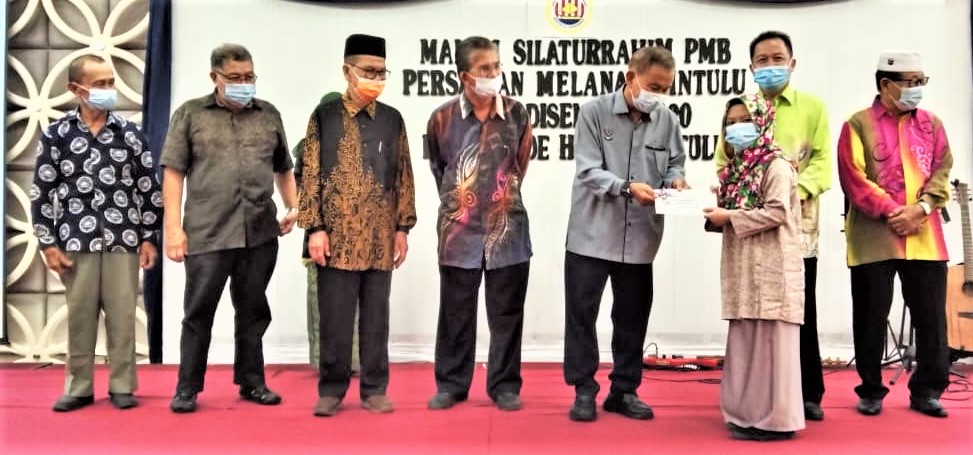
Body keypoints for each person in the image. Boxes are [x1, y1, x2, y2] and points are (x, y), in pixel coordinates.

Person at [161, 43, 299, 413]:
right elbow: (173, 173)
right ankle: (187, 388)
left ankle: (252, 382)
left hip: (260, 231)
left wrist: (293, 206)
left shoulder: (268, 114)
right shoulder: (190, 114)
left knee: (254, 311)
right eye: (235, 78)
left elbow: (283, 168)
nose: (243, 84)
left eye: (249, 77)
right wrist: (173, 229)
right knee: (198, 313)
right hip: (208, 233)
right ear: (215, 77)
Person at [563, 46, 687, 422]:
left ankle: (624, 390)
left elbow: (675, 163)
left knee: (632, 318)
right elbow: (588, 170)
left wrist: (676, 181)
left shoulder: (667, 120)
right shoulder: (593, 112)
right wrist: (626, 187)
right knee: (581, 316)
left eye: (665, 89)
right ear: (630, 77)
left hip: (640, 239)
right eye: (653, 86)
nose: (658, 95)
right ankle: (584, 390)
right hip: (591, 234)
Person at [31, 54, 161, 412]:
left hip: (124, 239)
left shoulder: (130, 133)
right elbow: (41, 192)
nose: (108, 89)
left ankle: (122, 385)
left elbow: (149, 189)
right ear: (76, 89)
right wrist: (47, 243)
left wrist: (149, 237)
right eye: (99, 84)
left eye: (110, 82)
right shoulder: (57, 134)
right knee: (80, 316)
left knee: (123, 316)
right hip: (75, 240)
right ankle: (79, 387)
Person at [298, 34, 417, 417]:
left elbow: (403, 175)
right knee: (335, 318)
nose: (375, 78)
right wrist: (314, 228)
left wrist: (402, 229)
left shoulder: (392, 120)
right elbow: (310, 174)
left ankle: (374, 389)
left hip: (381, 237)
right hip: (335, 237)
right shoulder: (325, 117)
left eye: (381, 72)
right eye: (368, 71)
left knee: (376, 319)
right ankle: (332, 389)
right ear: (347, 71)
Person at [714, 30, 831, 421]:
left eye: (777, 58)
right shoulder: (741, 108)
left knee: (795, 312)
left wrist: (793, 191)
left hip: (794, 231)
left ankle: (804, 394)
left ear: (792, 63)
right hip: (748, 233)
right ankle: (755, 399)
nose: (770, 66)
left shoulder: (811, 108)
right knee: (750, 315)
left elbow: (822, 164)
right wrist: (729, 200)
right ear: (751, 67)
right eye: (762, 60)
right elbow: (724, 162)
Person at [837, 50, 952, 418]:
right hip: (874, 237)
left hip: (925, 235)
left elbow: (942, 170)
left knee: (931, 317)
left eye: (921, 81)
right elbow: (854, 178)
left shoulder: (932, 125)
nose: (918, 88)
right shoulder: (857, 124)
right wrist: (893, 212)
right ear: (886, 84)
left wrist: (921, 209)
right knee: (870, 316)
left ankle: (928, 390)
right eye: (911, 82)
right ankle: (871, 389)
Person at [425, 36, 533, 412]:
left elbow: (520, 165)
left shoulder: (518, 114)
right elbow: (440, 169)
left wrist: (498, 201)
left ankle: (504, 385)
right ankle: (451, 384)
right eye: (485, 68)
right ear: (464, 76)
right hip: (459, 233)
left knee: (507, 314)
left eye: (496, 66)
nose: (493, 73)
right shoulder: (441, 118)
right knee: (455, 312)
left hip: (508, 231)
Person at [704, 95, 805, 441]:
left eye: (745, 120)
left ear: (763, 121)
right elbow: (734, 215)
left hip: (773, 266)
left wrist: (729, 215)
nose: (736, 128)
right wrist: (716, 208)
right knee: (747, 340)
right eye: (730, 122)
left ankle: (776, 421)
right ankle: (746, 415)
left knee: (772, 344)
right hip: (744, 267)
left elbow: (777, 212)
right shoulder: (737, 171)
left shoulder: (776, 165)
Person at [292, 91, 359, 373]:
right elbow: (302, 193)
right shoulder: (308, 149)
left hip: (357, 238)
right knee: (321, 303)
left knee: (354, 304)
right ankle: (326, 362)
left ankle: (353, 361)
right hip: (320, 238)